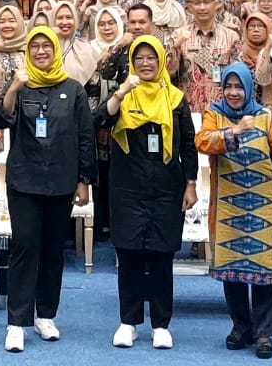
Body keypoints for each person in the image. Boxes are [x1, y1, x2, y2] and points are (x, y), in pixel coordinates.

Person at [0, 26, 95, 352]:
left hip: (62, 183)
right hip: (24, 181)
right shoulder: (20, 86)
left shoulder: (73, 89)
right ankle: (16, 322)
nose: (40, 51)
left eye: (45, 46)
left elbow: (85, 137)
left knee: (52, 251)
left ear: (54, 50)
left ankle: (45, 315)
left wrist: (84, 180)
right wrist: (14, 88)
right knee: (25, 248)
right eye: (34, 46)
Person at [99, 35, 197, 349]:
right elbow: (99, 120)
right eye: (138, 58)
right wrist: (121, 93)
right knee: (127, 255)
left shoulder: (177, 99)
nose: (145, 63)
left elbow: (188, 146)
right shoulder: (123, 95)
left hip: (166, 189)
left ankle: (160, 324)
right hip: (127, 187)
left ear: (160, 61)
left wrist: (191, 184)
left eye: (150, 57)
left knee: (160, 256)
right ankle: (128, 322)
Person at [195, 62, 272, 359]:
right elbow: (202, 142)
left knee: (265, 272)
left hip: (264, 207)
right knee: (232, 273)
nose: (234, 93)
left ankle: (264, 334)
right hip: (228, 208)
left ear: (250, 87)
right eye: (229, 87)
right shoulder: (214, 114)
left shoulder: (266, 118)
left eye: (239, 87)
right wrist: (234, 131)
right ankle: (241, 327)